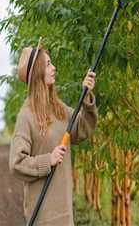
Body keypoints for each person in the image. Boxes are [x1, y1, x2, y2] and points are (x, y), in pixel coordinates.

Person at [9, 39, 98, 225]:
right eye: (48, 64)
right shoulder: (26, 116)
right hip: (42, 214)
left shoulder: (58, 109)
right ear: (38, 73)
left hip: (64, 212)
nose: (54, 68)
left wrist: (87, 96)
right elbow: (16, 162)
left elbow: (83, 129)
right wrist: (47, 160)